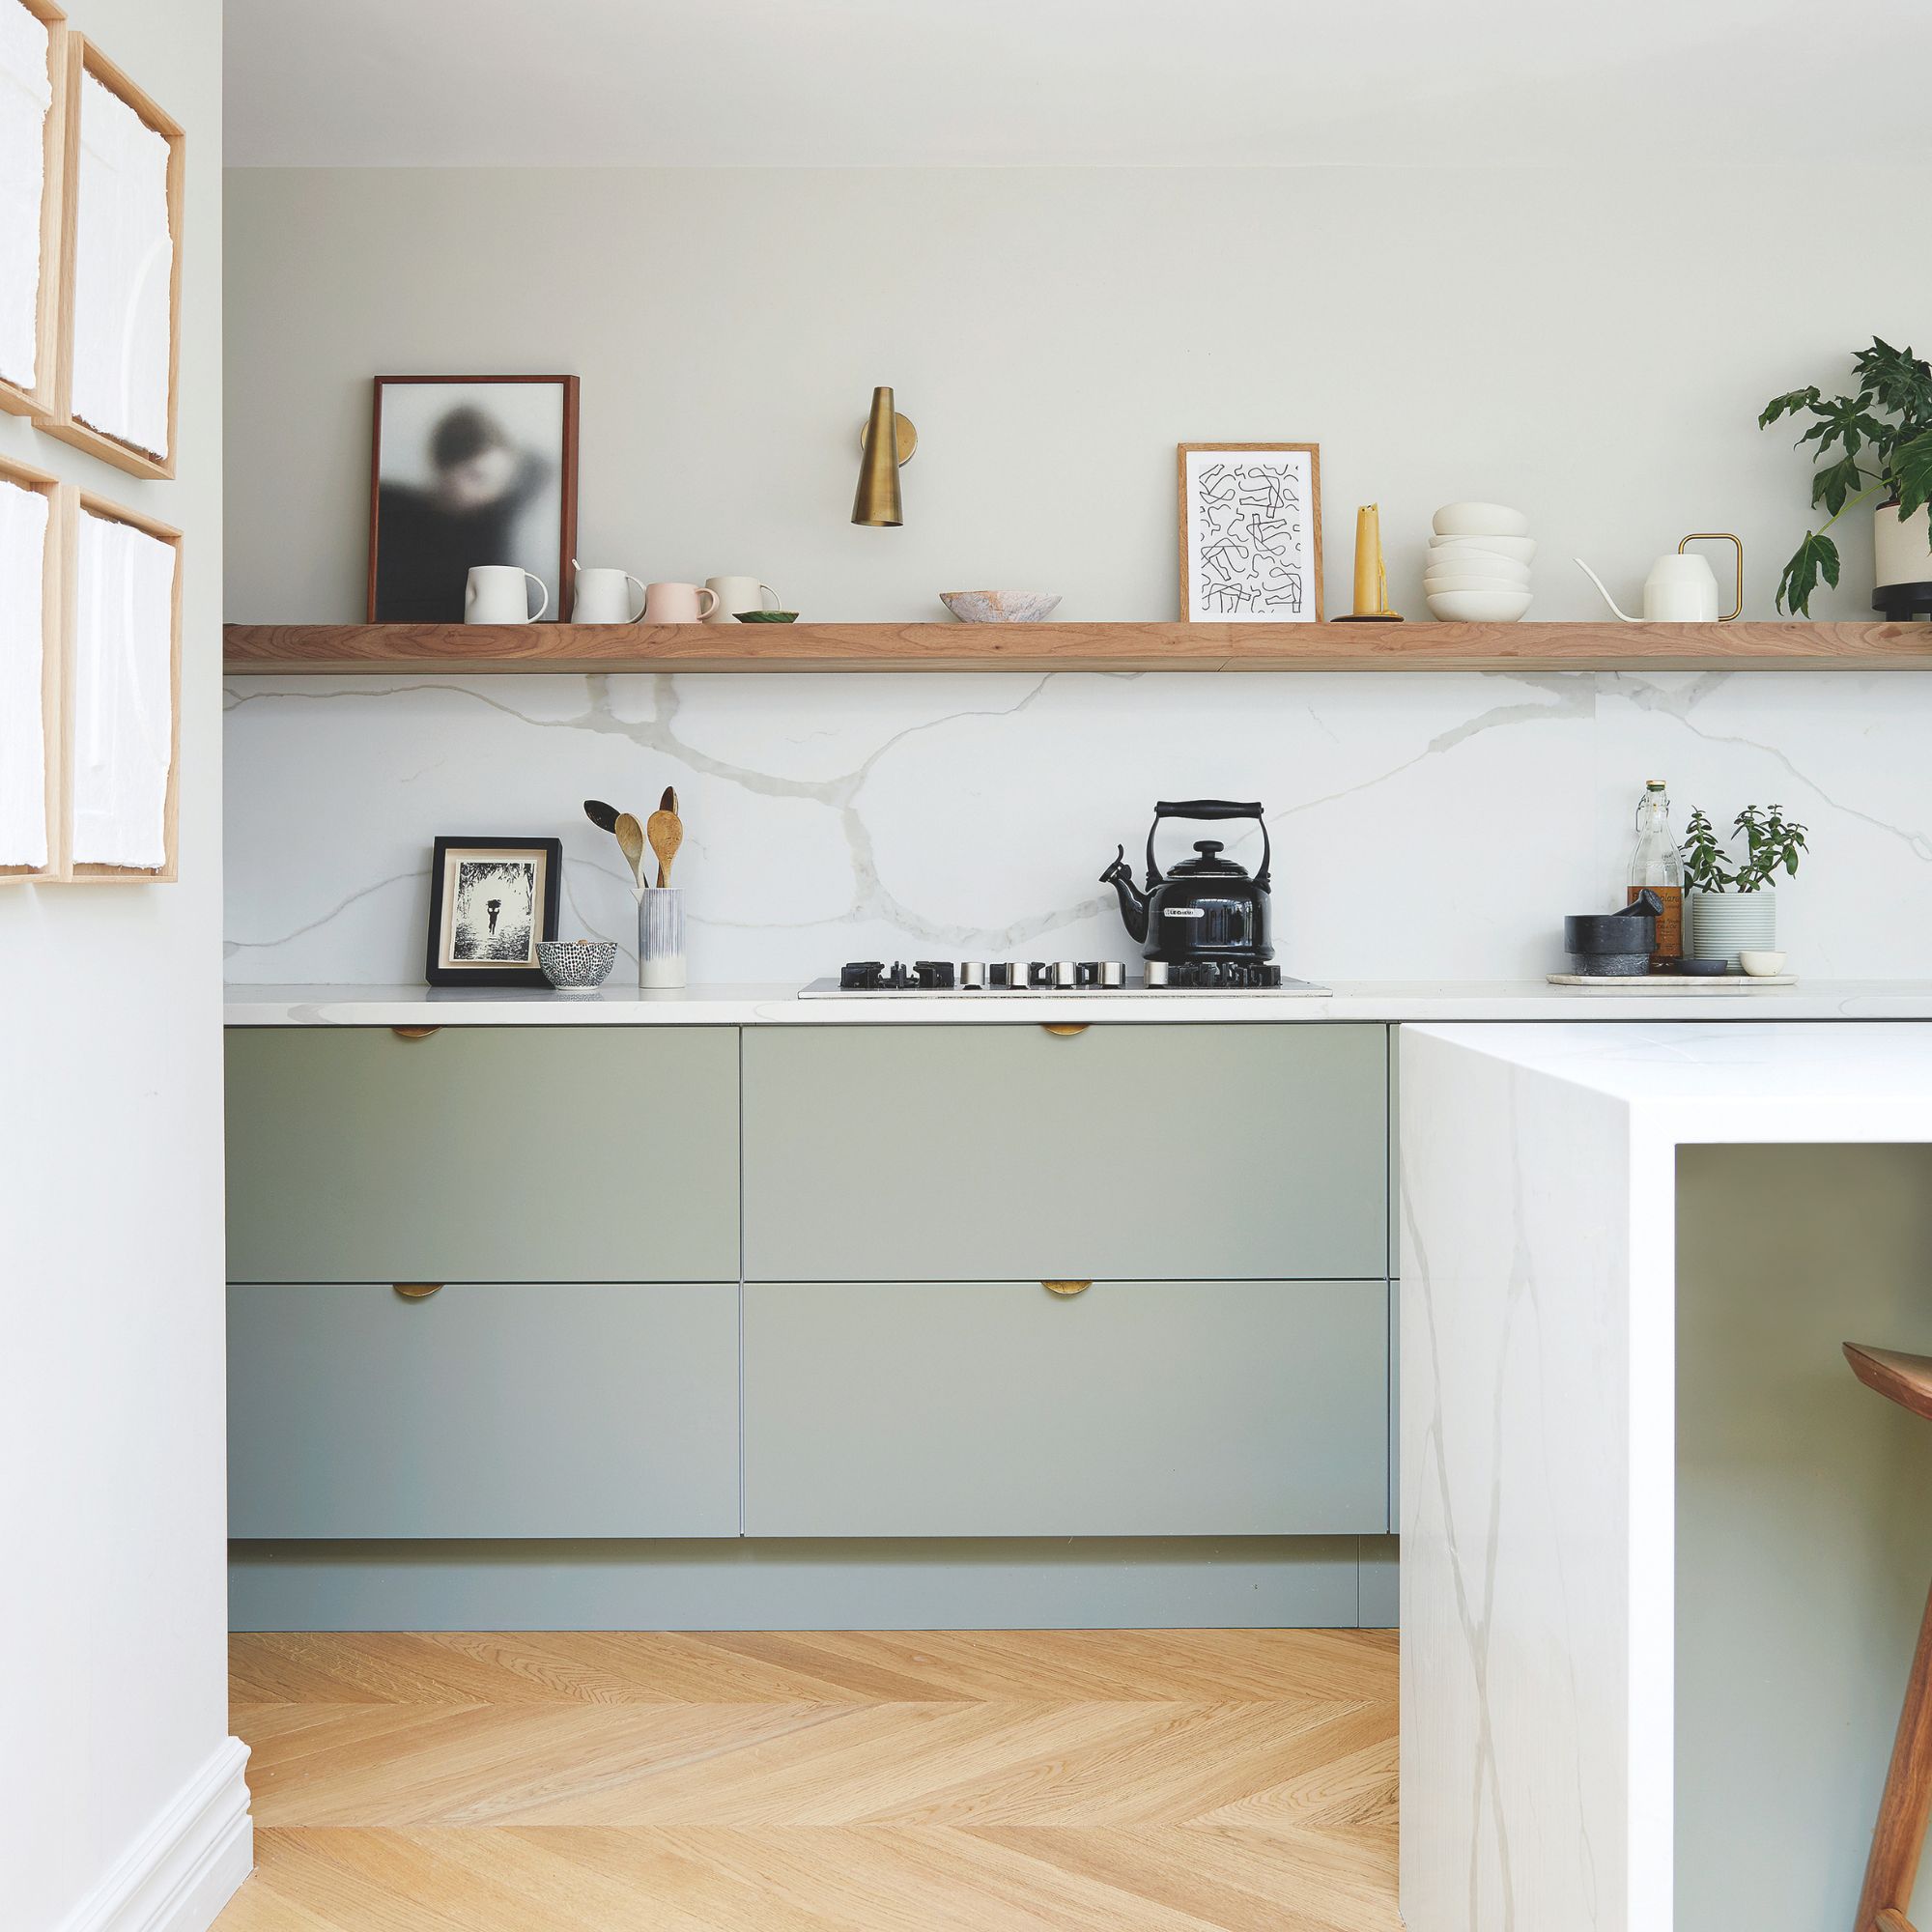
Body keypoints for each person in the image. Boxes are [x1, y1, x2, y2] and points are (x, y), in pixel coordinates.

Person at [374, 404, 551, 620]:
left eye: (498, 482)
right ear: (443, 468)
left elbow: (539, 465)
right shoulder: (393, 511)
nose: (489, 493)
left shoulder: (492, 520)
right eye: (477, 476)